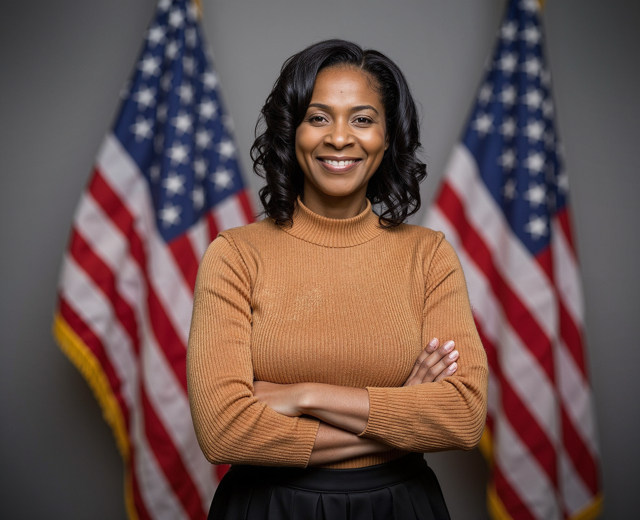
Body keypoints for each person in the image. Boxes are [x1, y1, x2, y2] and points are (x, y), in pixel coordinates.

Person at [187, 39, 488, 520]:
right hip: (267, 507)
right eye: (319, 117)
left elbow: (463, 417)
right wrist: (400, 412)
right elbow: (223, 430)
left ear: (388, 138)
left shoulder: (429, 256)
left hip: (400, 506)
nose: (340, 138)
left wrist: (302, 396)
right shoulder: (236, 255)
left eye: (363, 119)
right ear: (293, 132)